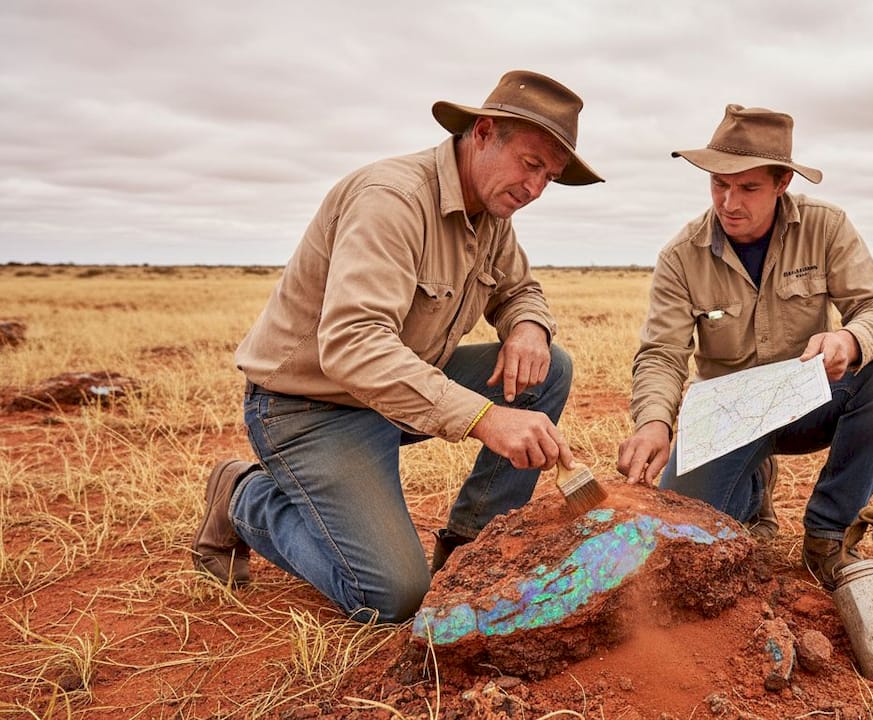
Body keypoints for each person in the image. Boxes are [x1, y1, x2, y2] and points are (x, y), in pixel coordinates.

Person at [191, 70, 603, 623]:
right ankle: (242, 496)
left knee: (547, 367)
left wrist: (529, 326)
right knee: (393, 597)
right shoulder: (392, 199)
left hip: (399, 391)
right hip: (312, 408)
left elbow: (519, 289)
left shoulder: (493, 214)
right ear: (482, 133)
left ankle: (472, 554)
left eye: (549, 177)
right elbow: (354, 345)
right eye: (530, 165)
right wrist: (484, 417)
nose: (534, 190)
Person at [617, 104, 873, 591]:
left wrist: (848, 338)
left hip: (811, 399)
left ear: (782, 184)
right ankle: (753, 488)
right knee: (686, 544)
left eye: (749, 188)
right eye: (719, 184)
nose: (729, 202)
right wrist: (653, 422)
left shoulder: (827, 227)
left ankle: (828, 534)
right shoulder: (680, 255)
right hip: (728, 414)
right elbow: (661, 354)